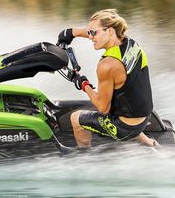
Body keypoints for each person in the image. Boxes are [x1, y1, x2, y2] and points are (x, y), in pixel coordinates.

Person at [58, 9, 158, 149]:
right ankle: (149, 142)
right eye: (89, 32)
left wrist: (83, 84)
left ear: (110, 31)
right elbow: (99, 32)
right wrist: (71, 32)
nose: (90, 37)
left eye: (93, 33)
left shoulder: (107, 65)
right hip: (145, 116)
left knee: (75, 118)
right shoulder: (130, 44)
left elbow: (103, 108)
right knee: (118, 96)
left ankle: (83, 156)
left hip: (124, 127)